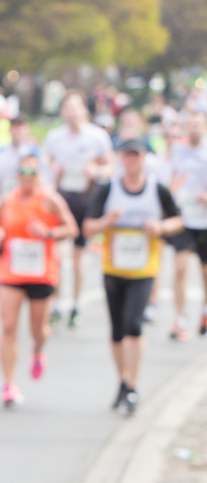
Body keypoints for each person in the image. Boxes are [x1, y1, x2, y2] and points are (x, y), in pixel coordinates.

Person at [83, 138, 185, 415]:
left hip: (143, 270)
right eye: (127, 156)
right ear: (120, 159)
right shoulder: (109, 190)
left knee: (134, 325)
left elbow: (178, 220)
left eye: (137, 156)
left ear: (143, 159)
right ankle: (123, 381)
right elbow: (88, 227)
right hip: (114, 269)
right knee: (117, 330)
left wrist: (160, 226)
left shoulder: (157, 189)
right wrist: (108, 222)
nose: (132, 161)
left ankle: (132, 384)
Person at [0, 153, 78, 404]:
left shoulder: (50, 200)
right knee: (8, 327)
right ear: (17, 175)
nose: (27, 177)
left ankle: (38, 351)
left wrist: (48, 232)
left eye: (32, 173)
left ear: (39, 175)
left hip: (41, 272)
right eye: (23, 172)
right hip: (12, 270)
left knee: (37, 329)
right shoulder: (8, 199)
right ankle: (9, 384)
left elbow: (71, 228)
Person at [44, 94, 114, 329]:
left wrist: (95, 171)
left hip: (86, 200)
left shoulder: (97, 136)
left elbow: (109, 166)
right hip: (62, 200)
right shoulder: (55, 137)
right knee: (57, 255)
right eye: (68, 107)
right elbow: (46, 165)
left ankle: (76, 303)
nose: (72, 112)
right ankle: (55, 303)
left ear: (84, 110)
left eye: (76, 107)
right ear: (63, 111)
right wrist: (54, 170)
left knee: (76, 259)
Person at [168, 111, 207, 339]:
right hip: (184, 218)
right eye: (190, 125)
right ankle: (179, 319)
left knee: (204, 270)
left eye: (198, 125)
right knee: (180, 267)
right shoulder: (178, 151)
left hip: (204, 220)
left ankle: (204, 311)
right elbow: (172, 178)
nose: (193, 128)